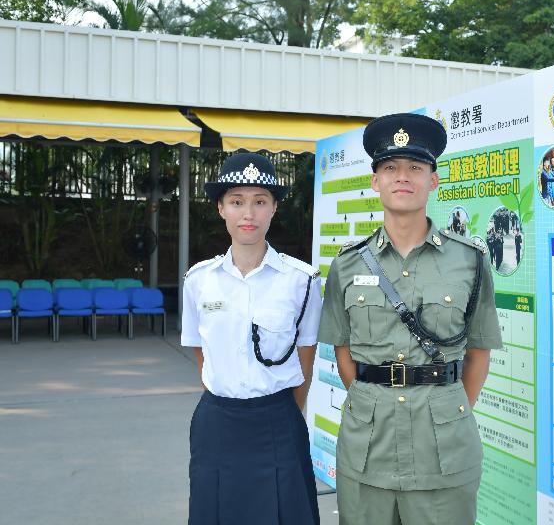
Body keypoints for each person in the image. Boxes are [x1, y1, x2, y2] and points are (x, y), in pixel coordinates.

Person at [318, 113, 502, 525]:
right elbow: (343, 353)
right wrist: (377, 398)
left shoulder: (469, 261)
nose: (403, 177)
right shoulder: (346, 266)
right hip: (368, 448)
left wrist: (441, 404)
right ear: (375, 182)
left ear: (433, 180)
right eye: (390, 168)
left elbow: (478, 355)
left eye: (415, 168)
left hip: (444, 451)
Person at [182, 153, 322, 525]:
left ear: (274, 208)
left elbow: (306, 355)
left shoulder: (302, 281)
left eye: (260, 202)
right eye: (237, 201)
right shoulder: (198, 280)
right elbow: (202, 353)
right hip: (217, 422)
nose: (249, 214)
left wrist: (282, 409)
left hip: (277, 421)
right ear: (220, 208)